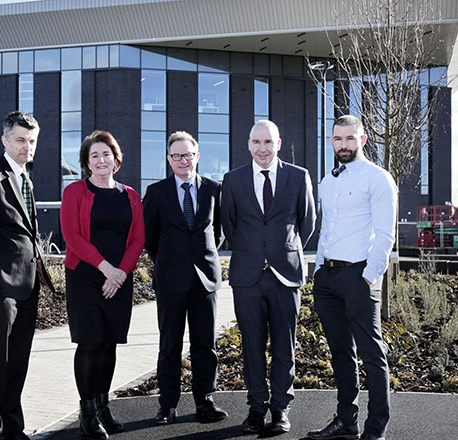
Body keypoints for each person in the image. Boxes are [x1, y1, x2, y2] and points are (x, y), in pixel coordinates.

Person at [220, 120, 316, 434]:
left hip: (285, 275)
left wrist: (282, 249)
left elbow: (308, 223)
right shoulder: (232, 180)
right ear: (248, 144)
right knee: (252, 346)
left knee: (284, 347)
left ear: (278, 143)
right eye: (256, 142)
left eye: (268, 142)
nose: (263, 148)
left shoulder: (298, 176)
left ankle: (280, 410)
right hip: (247, 276)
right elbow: (229, 226)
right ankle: (256, 408)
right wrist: (253, 251)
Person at [307, 115, 397, 440]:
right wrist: (317, 269)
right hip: (328, 278)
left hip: (359, 276)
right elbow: (325, 230)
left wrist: (369, 277)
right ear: (331, 141)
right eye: (337, 139)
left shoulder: (378, 179)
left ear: (363, 139)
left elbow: (387, 235)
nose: (343, 144)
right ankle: (346, 421)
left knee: (372, 354)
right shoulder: (327, 181)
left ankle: (375, 431)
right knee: (340, 352)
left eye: (349, 138)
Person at [0, 111, 55, 440]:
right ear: (5, 140)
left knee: (17, 366)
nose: (27, 146)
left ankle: (13, 432)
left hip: (28, 287)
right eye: (20, 140)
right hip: (1, 289)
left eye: (32, 141)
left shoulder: (26, 179)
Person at [60, 130, 145, 439]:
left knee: (109, 343)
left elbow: (138, 239)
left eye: (106, 154)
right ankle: (87, 413)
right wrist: (106, 268)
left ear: (115, 159)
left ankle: (103, 405)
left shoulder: (131, 195)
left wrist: (120, 273)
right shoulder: (74, 192)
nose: (100, 160)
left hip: (119, 278)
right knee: (90, 342)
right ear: (86, 162)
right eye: (94, 155)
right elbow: (73, 238)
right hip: (85, 276)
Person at [142, 131, 227, 425]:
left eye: (187, 154)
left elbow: (217, 232)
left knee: (205, 345)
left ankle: (205, 401)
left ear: (197, 156)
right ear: (168, 159)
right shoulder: (156, 193)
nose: (182, 160)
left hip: (205, 280)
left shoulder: (214, 190)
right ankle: (167, 405)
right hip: (171, 280)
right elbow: (149, 237)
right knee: (170, 345)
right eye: (176, 155)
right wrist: (168, 259)